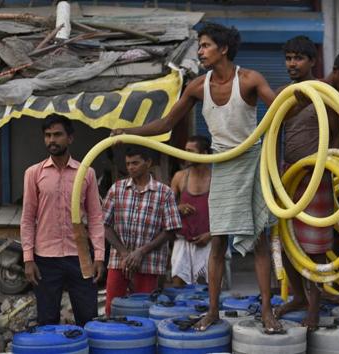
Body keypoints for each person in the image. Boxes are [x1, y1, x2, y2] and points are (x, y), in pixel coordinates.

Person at [111, 22, 281, 332]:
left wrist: (308, 97)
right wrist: (128, 132)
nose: (200, 52)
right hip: (223, 165)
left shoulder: (249, 79)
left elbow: (280, 108)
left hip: (251, 162)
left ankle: (267, 311)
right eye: (199, 46)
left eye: (205, 45)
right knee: (218, 242)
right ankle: (213, 310)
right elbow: (165, 124)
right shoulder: (198, 86)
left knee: (260, 240)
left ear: (223, 49)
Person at [272, 36, 339, 329]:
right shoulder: (283, 94)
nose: (293, 64)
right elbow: (272, 136)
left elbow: (336, 135)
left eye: (299, 58)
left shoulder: (324, 93)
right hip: (287, 176)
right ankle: (298, 297)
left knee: (315, 246)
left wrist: (324, 167)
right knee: (285, 245)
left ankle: (314, 307)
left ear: (312, 61)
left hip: (316, 175)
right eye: (289, 58)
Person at [20, 114, 105, 327]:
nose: (52, 140)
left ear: (70, 138)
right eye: (47, 135)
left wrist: (99, 256)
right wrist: (28, 259)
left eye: (57, 135)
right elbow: (28, 218)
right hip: (45, 258)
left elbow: (95, 217)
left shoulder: (87, 173)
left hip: (80, 257)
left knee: (88, 319)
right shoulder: (33, 173)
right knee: (47, 320)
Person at [102, 146, 182, 315]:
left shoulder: (164, 193)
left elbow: (171, 229)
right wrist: (124, 252)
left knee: (144, 310)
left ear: (148, 163)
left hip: (149, 263)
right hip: (119, 262)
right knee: (113, 309)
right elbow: (104, 224)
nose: (131, 167)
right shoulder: (117, 189)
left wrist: (141, 252)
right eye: (128, 164)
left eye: (135, 163)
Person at [170, 136, 212, 286]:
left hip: (210, 242)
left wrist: (211, 234)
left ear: (204, 154)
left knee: (210, 290)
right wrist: (178, 208)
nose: (185, 154)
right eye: (185, 150)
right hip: (183, 242)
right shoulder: (179, 177)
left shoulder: (216, 178)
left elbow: (227, 213)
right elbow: (165, 207)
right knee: (178, 285)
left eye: (190, 151)